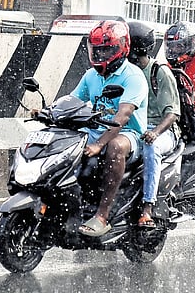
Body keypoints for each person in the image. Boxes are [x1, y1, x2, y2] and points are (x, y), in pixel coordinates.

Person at [72, 20, 148, 237]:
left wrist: (99, 144)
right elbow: (73, 100)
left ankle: (102, 216)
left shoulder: (132, 76)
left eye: (107, 50)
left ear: (122, 48)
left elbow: (122, 116)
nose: (101, 56)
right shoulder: (91, 75)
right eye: (97, 50)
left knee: (115, 147)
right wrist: (49, 111)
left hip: (130, 134)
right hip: (96, 130)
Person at [127, 21, 181, 228]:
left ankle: (147, 206)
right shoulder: (125, 71)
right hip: (134, 127)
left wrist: (155, 133)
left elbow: (172, 113)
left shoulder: (159, 72)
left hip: (162, 129)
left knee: (151, 148)